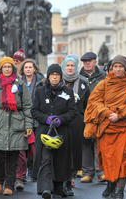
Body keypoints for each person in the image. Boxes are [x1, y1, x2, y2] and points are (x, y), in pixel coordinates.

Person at [83, 55, 126, 199]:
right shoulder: (103, 84)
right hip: (107, 128)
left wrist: (119, 115)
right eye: (115, 67)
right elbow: (95, 102)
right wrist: (108, 113)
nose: (118, 69)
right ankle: (111, 184)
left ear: (125, 68)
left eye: (121, 67)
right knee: (108, 159)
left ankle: (120, 190)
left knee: (124, 159)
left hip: (125, 128)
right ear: (111, 68)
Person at [0, 57, 33, 195]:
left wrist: (28, 125)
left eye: (10, 67)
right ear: (1, 69)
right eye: (5, 67)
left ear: (13, 68)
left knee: (13, 156)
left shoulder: (20, 84)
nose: (7, 69)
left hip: (16, 123)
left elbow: (27, 106)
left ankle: (9, 184)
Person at [31, 64, 78, 198]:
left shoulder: (68, 92)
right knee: (45, 159)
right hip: (45, 132)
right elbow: (34, 111)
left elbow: (73, 112)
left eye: (57, 75)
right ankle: (46, 188)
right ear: (48, 77)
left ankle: (58, 187)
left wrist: (60, 119)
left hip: (62, 131)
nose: (55, 77)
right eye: (52, 75)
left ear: (60, 76)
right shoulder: (40, 91)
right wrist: (46, 119)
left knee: (60, 160)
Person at [61, 55, 90, 195]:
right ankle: (61, 178)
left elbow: (88, 105)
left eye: (72, 66)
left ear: (76, 67)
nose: (70, 68)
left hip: (77, 122)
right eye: (68, 66)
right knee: (62, 150)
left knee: (74, 151)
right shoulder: (57, 81)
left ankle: (69, 178)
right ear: (63, 67)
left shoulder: (83, 82)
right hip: (60, 121)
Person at [15, 59, 45, 189]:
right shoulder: (17, 81)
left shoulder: (41, 81)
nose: (28, 69)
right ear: (23, 69)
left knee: (35, 145)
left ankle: (34, 170)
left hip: (36, 117)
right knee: (23, 145)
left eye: (30, 67)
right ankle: (22, 172)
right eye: (26, 67)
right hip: (22, 117)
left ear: (34, 69)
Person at [79, 51, 107, 183]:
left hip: (99, 115)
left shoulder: (103, 77)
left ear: (95, 62)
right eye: (85, 62)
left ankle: (100, 172)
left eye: (89, 61)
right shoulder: (78, 77)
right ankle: (87, 172)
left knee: (98, 143)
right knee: (85, 143)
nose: (87, 63)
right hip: (84, 115)